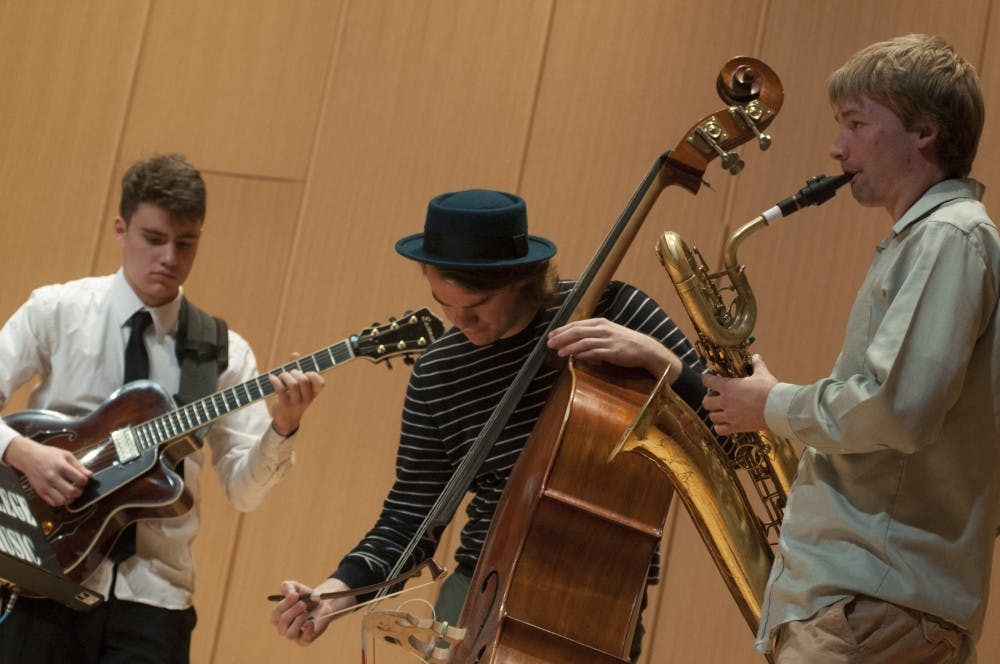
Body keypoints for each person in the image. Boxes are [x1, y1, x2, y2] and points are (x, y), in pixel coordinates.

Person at [270, 188, 709, 660]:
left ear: (522, 278)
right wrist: (335, 593)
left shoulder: (613, 312)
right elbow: (411, 516)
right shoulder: (438, 371)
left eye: (476, 304)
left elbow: (725, 425)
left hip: (600, 585)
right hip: (481, 583)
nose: (461, 322)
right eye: (443, 303)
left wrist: (664, 363)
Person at [702, 34, 997, 663]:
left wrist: (774, 406)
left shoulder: (948, 237)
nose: (836, 149)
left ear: (924, 131)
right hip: (877, 599)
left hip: (871, 601)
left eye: (856, 124)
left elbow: (897, 409)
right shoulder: (935, 239)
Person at [0, 153, 326, 663]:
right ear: (120, 229)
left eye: (186, 243)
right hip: (41, 571)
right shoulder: (57, 311)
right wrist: (23, 452)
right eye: (154, 239)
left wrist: (282, 428)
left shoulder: (223, 352)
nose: (169, 258)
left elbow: (243, 492)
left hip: (154, 597)